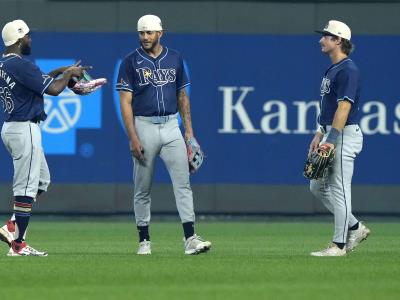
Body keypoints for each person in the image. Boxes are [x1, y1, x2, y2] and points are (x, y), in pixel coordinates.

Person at [116, 14, 211, 255]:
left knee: (183, 184)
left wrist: (188, 133)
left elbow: (182, 97)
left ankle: (190, 238)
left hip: (171, 126)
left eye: (149, 32)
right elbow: (125, 102)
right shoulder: (130, 62)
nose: (145, 37)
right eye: (141, 33)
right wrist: (133, 137)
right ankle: (144, 241)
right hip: (144, 125)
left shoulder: (175, 58)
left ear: (161, 33)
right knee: (142, 188)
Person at [0, 19, 90, 256]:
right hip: (24, 128)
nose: (30, 40)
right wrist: (70, 73)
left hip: (12, 127)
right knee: (26, 187)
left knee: (41, 180)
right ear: (19, 39)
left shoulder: (6, 63)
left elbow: (40, 81)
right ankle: (18, 245)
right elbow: (53, 89)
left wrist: (62, 71)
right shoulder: (21, 65)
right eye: (28, 36)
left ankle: (11, 226)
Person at [309, 20, 370, 256]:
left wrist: (331, 139)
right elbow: (327, 105)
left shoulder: (348, 70)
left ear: (339, 40)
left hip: (343, 135)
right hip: (329, 132)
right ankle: (355, 227)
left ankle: (339, 245)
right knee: (317, 187)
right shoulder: (333, 68)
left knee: (339, 190)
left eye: (326, 36)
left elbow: (343, 108)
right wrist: (319, 132)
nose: (321, 39)